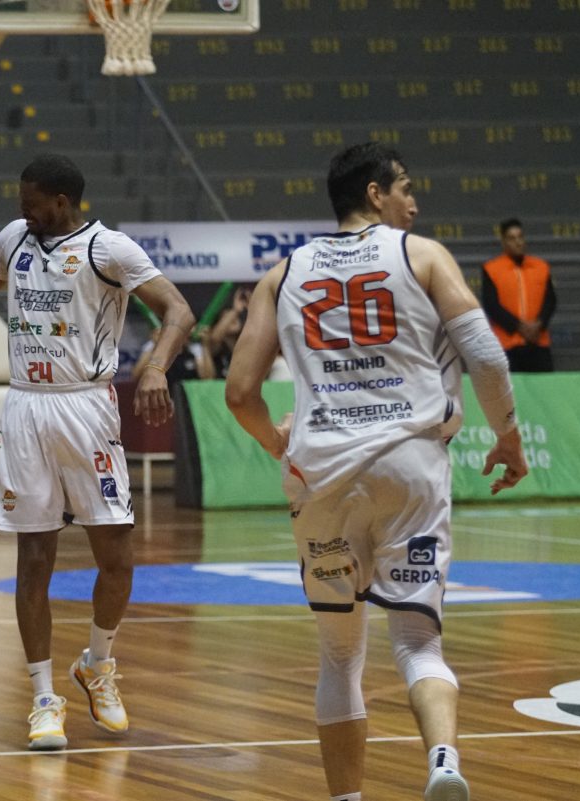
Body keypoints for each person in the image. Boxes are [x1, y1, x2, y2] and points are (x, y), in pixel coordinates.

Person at [224, 142, 528, 801]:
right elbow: (486, 358)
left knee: (339, 655)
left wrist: (278, 445)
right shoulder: (422, 255)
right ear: (374, 194)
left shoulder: (282, 273)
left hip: (321, 472)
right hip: (408, 464)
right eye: (405, 188)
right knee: (419, 641)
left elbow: (240, 393)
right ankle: (443, 761)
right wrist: (508, 436)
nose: (413, 202)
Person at [0, 154, 195, 751]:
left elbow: (179, 311)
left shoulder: (108, 249)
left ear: (62, 202)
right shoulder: (15, 239)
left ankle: (97, 664)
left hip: (87, 407)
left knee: (117, 558)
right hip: (26, 408)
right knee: (34, 560)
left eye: (32, 203)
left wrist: (156, 366)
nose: (23, 211)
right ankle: (42, 698)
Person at [481, 218, 556, 372]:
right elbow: (491, 305)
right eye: (512, 238)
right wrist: (519, 326)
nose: (518, 242)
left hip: (539, 344)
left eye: (520, 237)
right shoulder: (491, 269)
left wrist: (539, 325)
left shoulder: (541, 267)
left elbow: (550, 300)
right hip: (506, 346)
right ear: (503, 242)